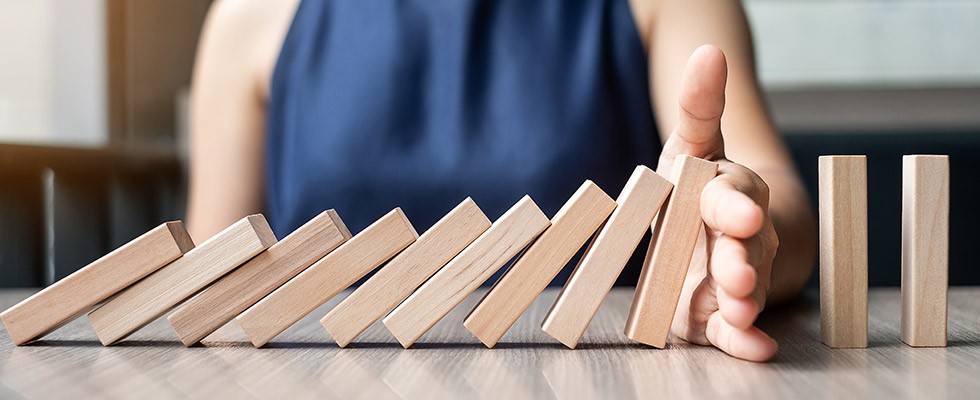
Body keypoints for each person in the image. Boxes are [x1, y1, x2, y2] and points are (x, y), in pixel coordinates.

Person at [186, 0, 816, 362]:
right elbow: (212, 289)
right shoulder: (251, 15)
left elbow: (775, 190)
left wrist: (739, 236)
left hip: (595, 377)